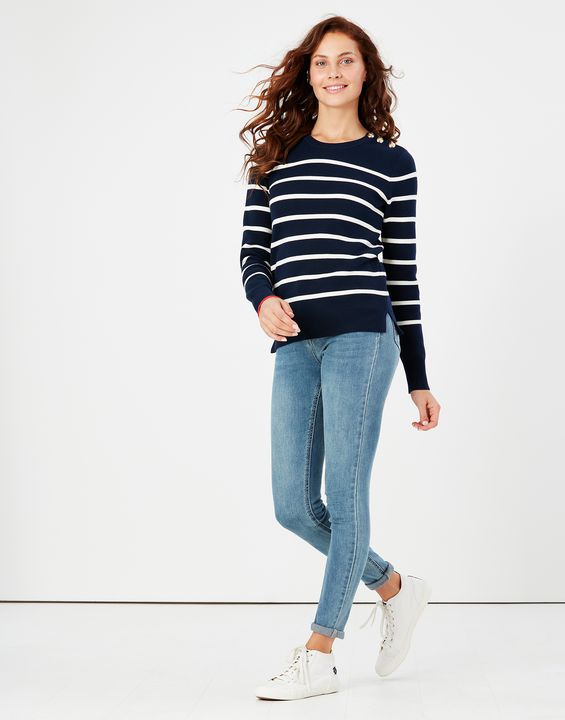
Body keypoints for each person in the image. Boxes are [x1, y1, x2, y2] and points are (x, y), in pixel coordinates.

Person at [238, 15, 441, 701]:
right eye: (322, 61)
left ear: (365, 72)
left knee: (346, 494)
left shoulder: (392, 163)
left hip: (364, 335)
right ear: (307, 73)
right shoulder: (275, 156)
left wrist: (418, 377)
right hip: (295, 340)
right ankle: (394, 586)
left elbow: (402, 274)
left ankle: (320, 651)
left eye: (346, 60)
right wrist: (261, 298)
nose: (333, 72)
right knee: (293, 506)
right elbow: (253, 251)